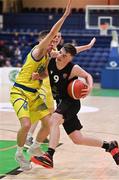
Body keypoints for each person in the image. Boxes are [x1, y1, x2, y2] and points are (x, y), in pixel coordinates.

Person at [31, 43, 119, 168]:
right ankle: (109, 146)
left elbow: (87, 76)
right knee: (77, 139)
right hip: (61, 102)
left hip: (71, 102)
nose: (60, 56)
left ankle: (49, 156)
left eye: (64, 55)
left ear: (70, 58)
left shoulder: (73, 68)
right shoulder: (52, 61)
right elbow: (47, 73)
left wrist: (89, 87)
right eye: (61, 52)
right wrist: (38, 76)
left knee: (55, 119)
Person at [10, 0, 72, 171]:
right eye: (52, 40)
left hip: (34, 93)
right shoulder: (38, 50)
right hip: (20, 92)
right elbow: (53, 32)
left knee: (49, 122)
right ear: (46, 40)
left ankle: (35, 146)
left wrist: (39, 75)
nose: (54, 42)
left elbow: (45, 73)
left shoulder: (47, 57)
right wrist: (65, 16)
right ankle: (19, 152)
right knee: (26, 125)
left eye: (55, 41)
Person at [25, 32, 62, 147]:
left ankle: (43, 135)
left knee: (50, 115)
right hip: (40, 87)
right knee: (38, 113)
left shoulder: (53, 48)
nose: (57, 38)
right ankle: (28, 137)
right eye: (55, 36)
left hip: (50, 88)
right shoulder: (44, 49)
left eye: (59, 36)